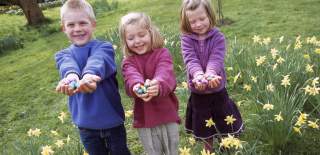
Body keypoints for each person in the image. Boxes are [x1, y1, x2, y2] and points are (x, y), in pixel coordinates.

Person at [55, 0, 130, 154]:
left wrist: (89, 74)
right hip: (86, 126)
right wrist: (71, 77)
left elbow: (98, 60)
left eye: (83, 23)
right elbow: (67, 65)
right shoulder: (62, 55)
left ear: (93, 24)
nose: (77, 29)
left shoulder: (105, 47)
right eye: (71, 25)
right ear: (63, 28)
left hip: (112, 121)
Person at [180, 0, 244, 152]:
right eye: (192, 21)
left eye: (202, 19)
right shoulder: (186, 39)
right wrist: (198, 76)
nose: (198, 24)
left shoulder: (218, 37)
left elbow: (216, 58)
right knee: (203, 121)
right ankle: (208, 149)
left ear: (210, 15)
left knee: (223, 117)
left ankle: (227, 144)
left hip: (217, 86)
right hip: (198, 88)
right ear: (186, 22)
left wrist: (210, 74)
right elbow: (190, 59)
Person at [120, 12, 180, 155]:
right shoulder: (128, 61)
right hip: (145, 117)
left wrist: (157, 84)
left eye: (142, 35)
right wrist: (137, 86)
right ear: (125, 41)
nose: (137, 41)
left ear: (151, 33)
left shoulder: (162, 53)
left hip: (167, 113)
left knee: (172, 147)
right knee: (152, 149)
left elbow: (165, 72)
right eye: (131, 38)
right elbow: (130, 76)